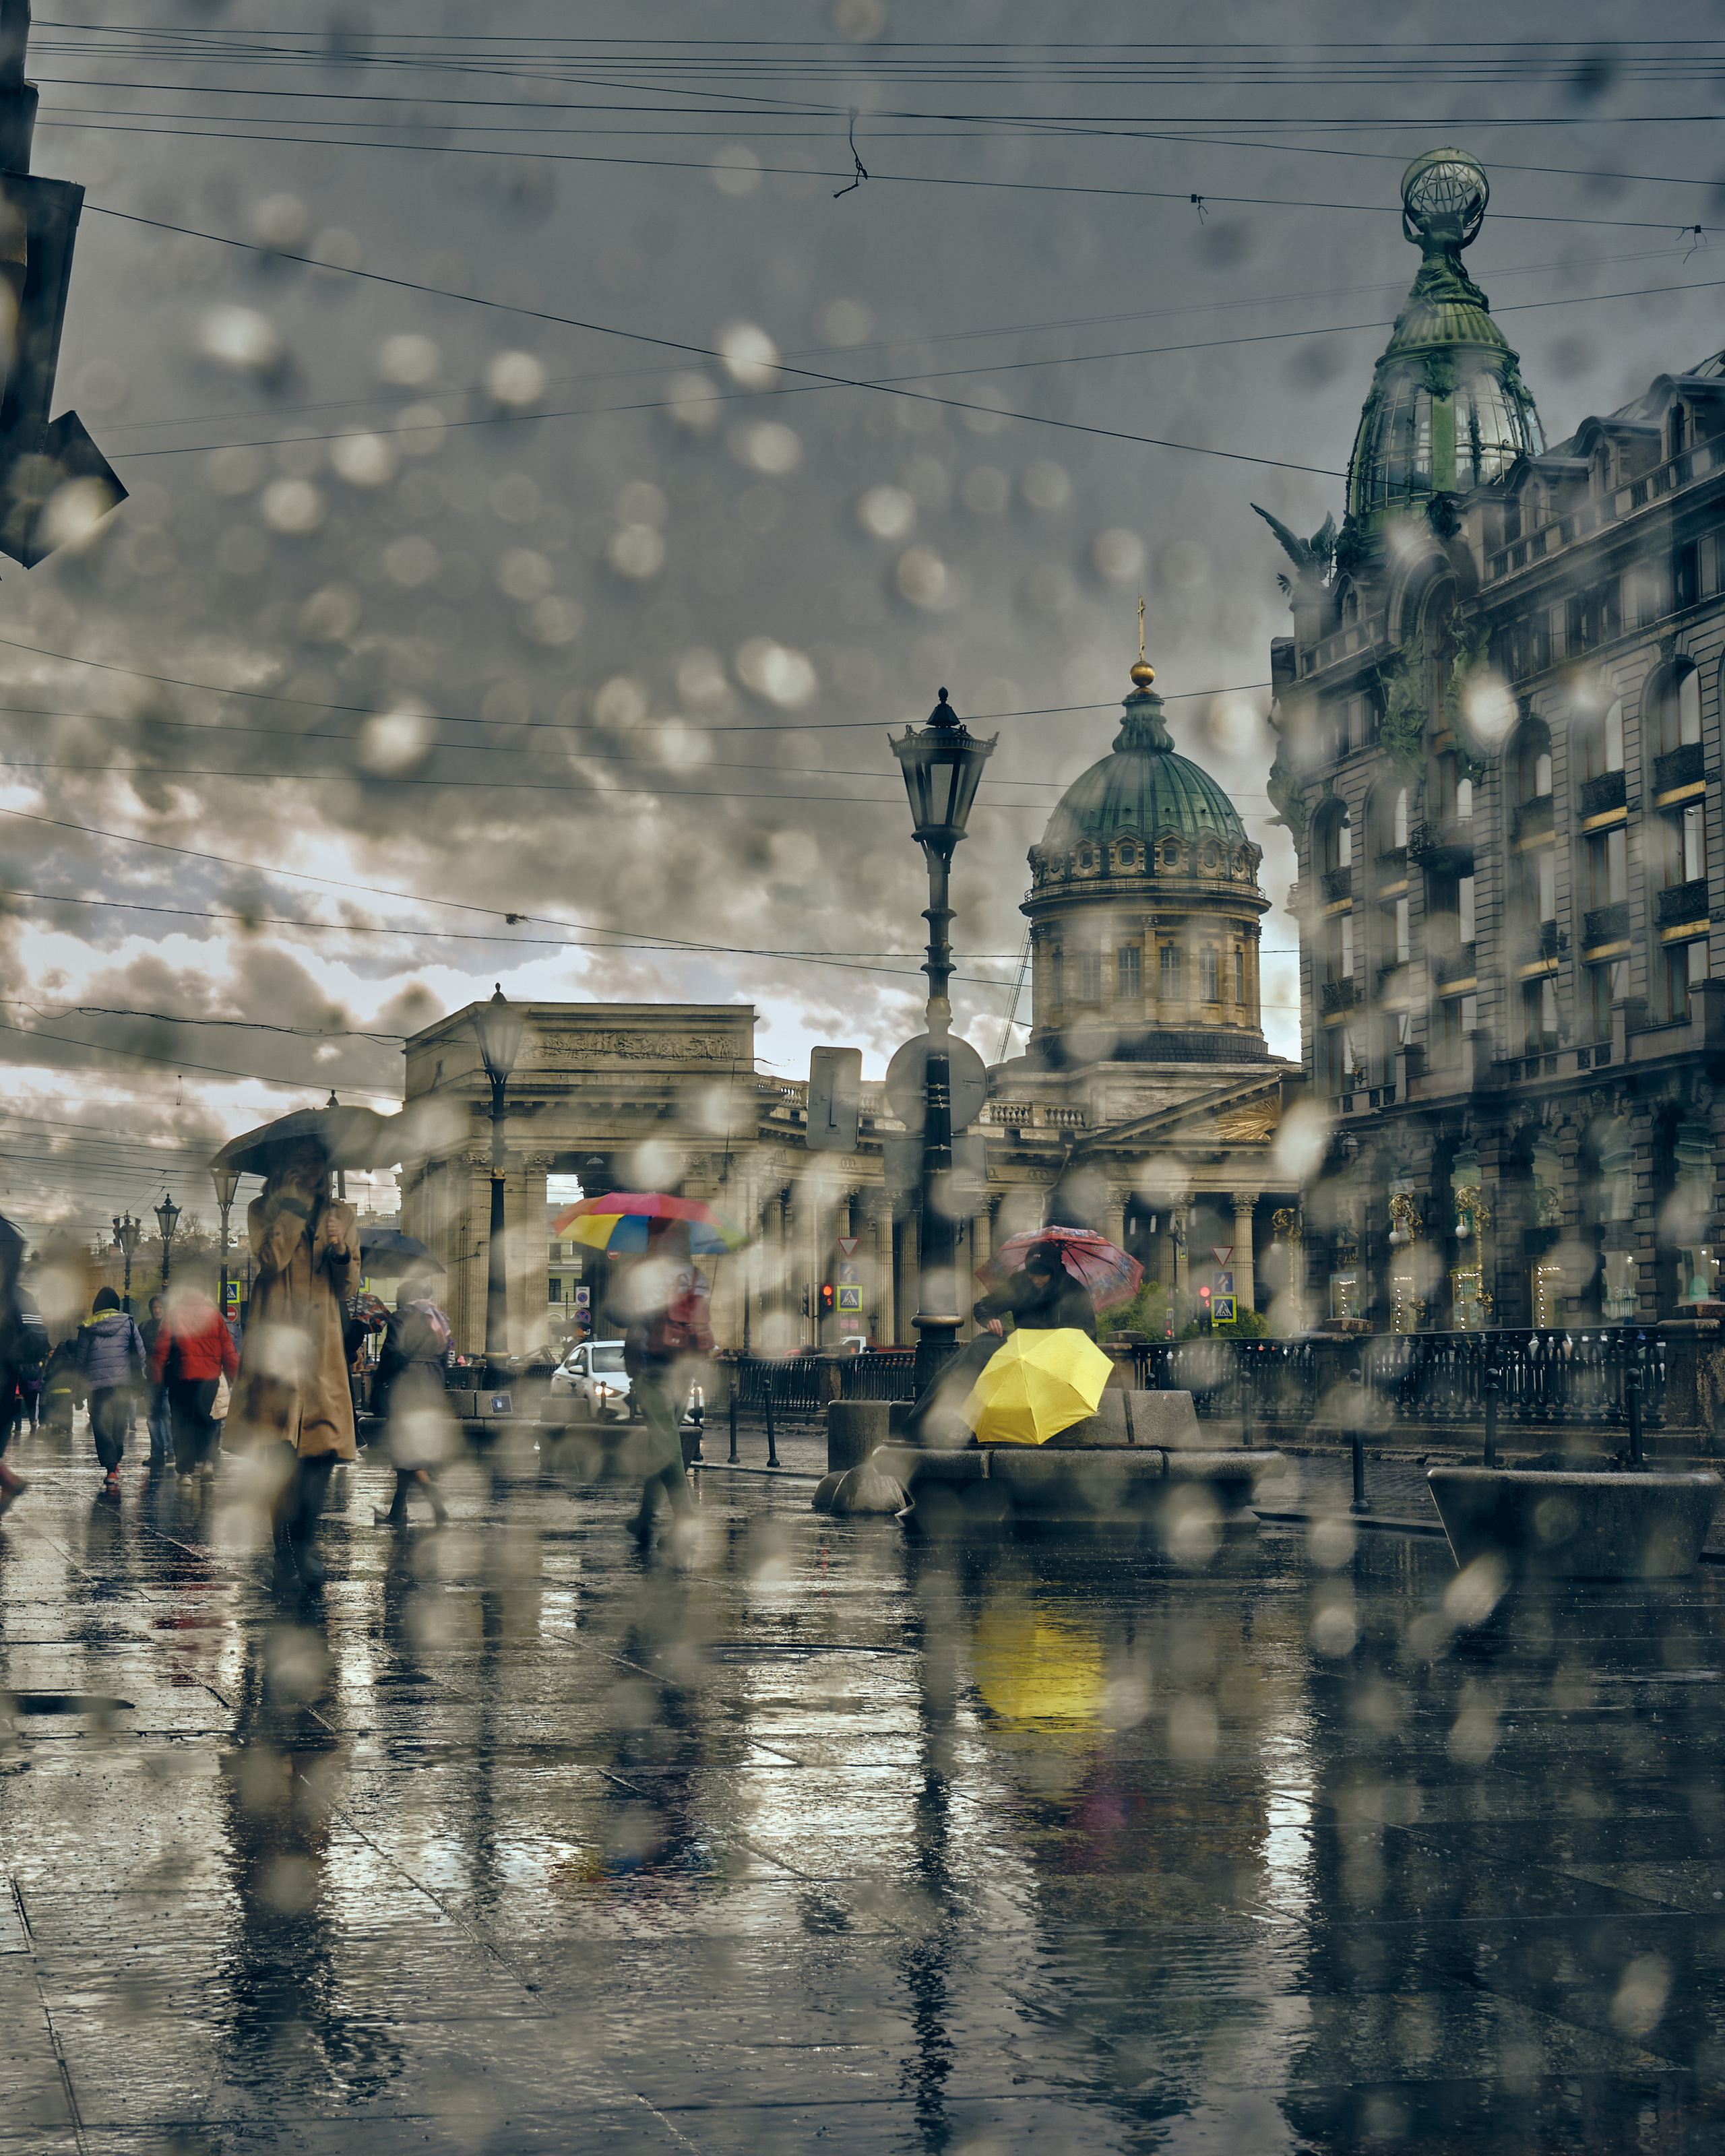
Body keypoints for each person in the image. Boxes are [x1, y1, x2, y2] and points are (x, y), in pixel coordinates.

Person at [228, 1136, 360, 1587]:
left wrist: (341, 1251)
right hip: (277, 1350)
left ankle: (302, 1541)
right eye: (303, 1159)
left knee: (320, 1453)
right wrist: (291, 1208)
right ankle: (282, 1546)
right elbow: (270, 1260)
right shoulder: (261, 1210)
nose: (313, 1168)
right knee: (278, 1453)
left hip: (320, 1353)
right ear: (284, 1165)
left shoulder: (342, 1214)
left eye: (319, 1159)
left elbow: (347, 1285)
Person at [902, 1239, 1098, 1443]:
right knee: (978, 1348)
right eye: (1031, 1273)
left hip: (1055, 1357)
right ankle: (925, 1420)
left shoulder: (1074, 1292)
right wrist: (991, 1319)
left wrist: (1057, 1341)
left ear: (1055, 1271)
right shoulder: (1021, 1282)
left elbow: (1088, 1337)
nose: (1035, 1279)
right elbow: (984, 1306)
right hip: (1021, 1348)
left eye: (1041, 1275)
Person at [603, 1224, 712, 1548]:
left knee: (665, 1443)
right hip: (685, 1364)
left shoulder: (644, 1273)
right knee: (663, 1440)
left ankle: (686, 1519)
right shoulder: (696, 1275)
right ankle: (645, 1517)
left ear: (656, 1239)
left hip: (650, 1364)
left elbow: (618, 1314)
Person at [371, 1278, 454, 1527]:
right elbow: (445, 1357)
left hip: (408, 1385)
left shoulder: (401, 1316)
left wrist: (380, 1378)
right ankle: (398, 1511)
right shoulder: (439, 1317)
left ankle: (434, 1496)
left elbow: (394, 1351)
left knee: (405, 1447)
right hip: (432, 1385)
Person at [149, 1276, 240, 1481]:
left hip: (182, 1378)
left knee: (182, 1423)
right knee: (205, 1419)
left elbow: (162, 1349)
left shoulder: (174, 1316)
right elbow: (228, 1350)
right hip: (209, 1379)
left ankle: (186, 1471)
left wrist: (155, 1377)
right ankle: (208, 1463)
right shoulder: (215, 1317)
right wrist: (235, 1376)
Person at [74, 1287, 146, 1490]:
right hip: (121, 1384)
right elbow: (140, 1353)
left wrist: (78, 1386)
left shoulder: (88, 1326)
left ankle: (110, 1468)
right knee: (118, 1423)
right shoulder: (128, 1323)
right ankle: (115, 1462)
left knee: (100, 1424)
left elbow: (81, 1360)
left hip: (96, 1385)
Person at [0, 1217, 37, 1512]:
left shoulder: (16, 1299)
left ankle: (9, 1481)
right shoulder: (21, 1298)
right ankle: (8, 1482)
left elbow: (38, 1338)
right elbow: (39, 1337)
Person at [137, 1294, 172, 1467]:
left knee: (167, 1414)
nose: (157, 1310)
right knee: (153, 1417)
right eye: (155, 1308)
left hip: (168, 1378)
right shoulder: (145, 1327)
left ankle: (171, 1451)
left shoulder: (172, 1327)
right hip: (151, 1378)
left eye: (160, 1307)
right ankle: (157, 1453)